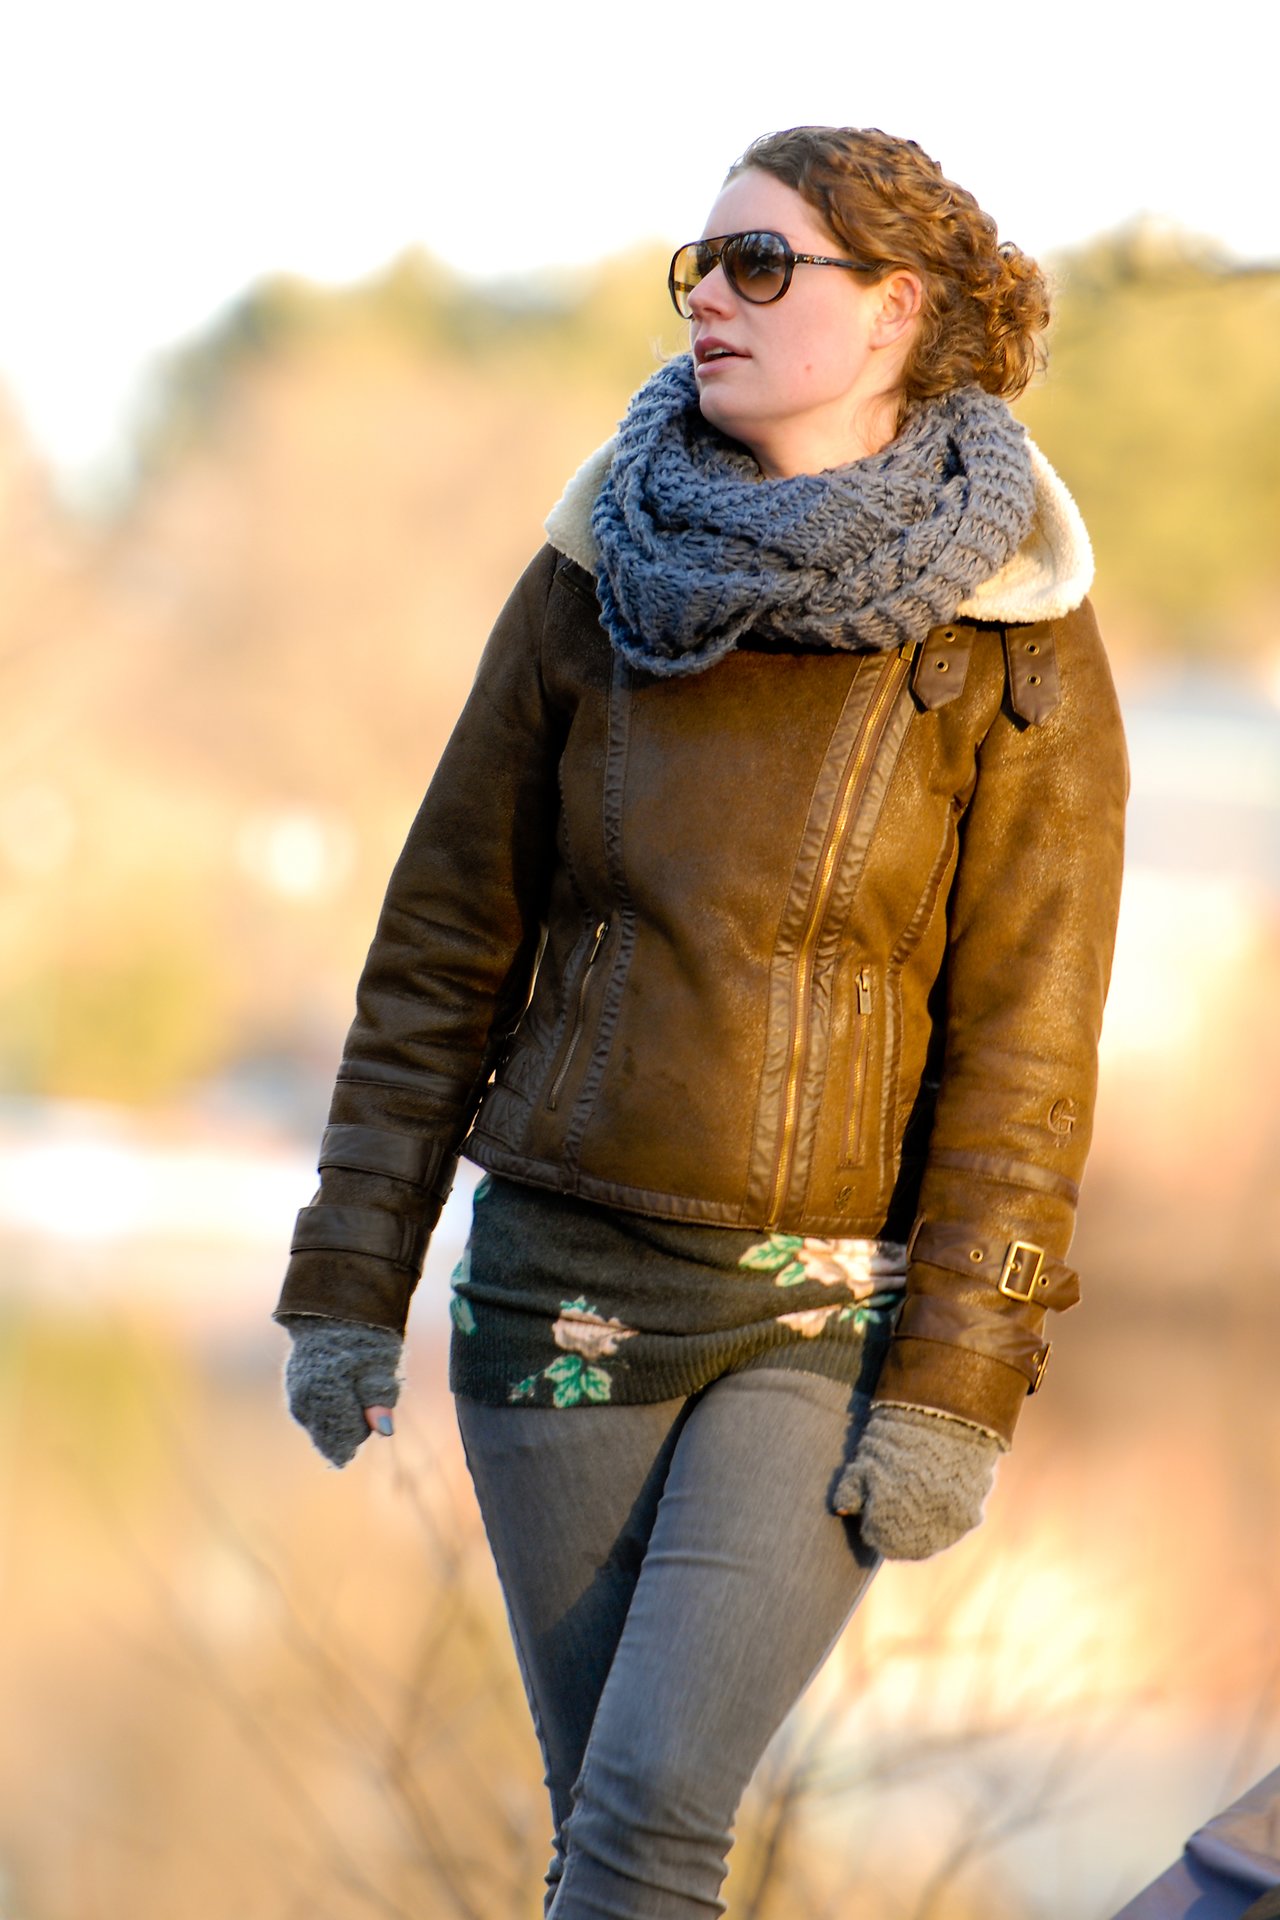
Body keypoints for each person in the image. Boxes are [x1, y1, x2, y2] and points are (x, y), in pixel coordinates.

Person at [275, 125, 1127, 1918]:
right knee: (608, 1829)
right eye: (700, 266)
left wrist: (961, 1383)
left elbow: (1030, 1049)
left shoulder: (1015, 629)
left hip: (825, 1309)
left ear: (894, 311)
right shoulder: (595, 571)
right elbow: (443, 949)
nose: (709, 301)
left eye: (761, 264)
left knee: (654, 1809)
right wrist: (350, 1276)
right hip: (558, 1298)